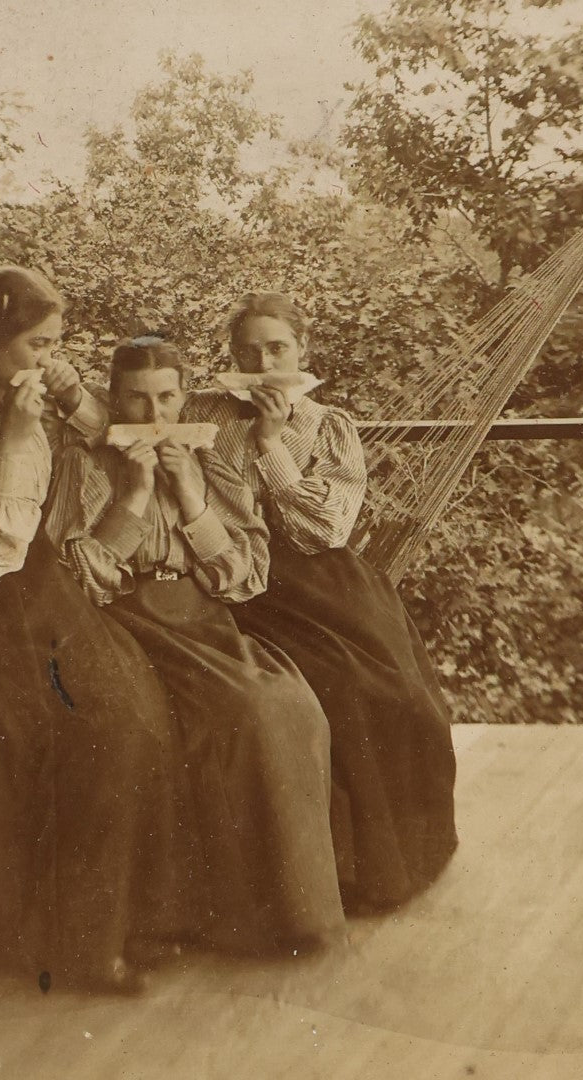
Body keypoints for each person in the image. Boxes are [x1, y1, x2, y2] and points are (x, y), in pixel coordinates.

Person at [0, 267, 184, 994]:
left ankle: (121, 923)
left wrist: (64, 393)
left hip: (34, 590)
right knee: (109, 728)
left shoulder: (15, 394)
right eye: (38, 344)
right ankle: (82, 944)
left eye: (55, 344)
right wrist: (19, 434)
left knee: (139, 713)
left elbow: (108, 430)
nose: (48, 359)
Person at [44, 336, 345, 955]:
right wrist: (131, 496)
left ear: (185, 399)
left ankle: (281, 915)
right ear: (114, 398)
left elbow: (246, 573)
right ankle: (187, 918)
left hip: (203, 617)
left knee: (281, 708)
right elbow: (79, 581)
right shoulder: (86, 460)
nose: (153, 417)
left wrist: (189, 497)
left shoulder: (213, 459)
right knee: (185, 721)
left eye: (166, 398)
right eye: (136, 399)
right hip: (122, 623)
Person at [183, 292, 458, 914]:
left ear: (302, 351)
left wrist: (271, 441)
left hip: (322, 580)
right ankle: (339, 876)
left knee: (400, 698)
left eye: (277, 348)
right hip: (239, 581)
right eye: (248, 351)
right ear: (231, 355)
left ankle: (400, 862)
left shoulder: (329, 425)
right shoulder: (198, 412)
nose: (263, 363)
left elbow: (326, 528)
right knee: (339, 692)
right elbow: (119, 418)